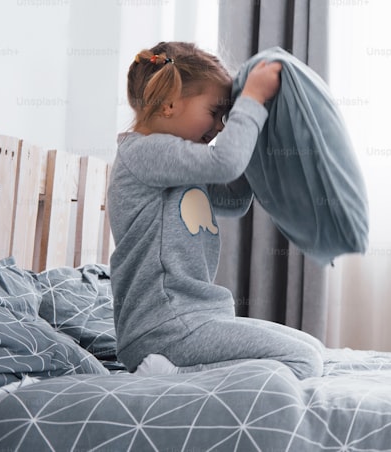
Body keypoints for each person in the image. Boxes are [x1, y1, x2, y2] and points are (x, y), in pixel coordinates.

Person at [107, 41, 327, 379]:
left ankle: (182, 367)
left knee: (313, 350)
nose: (221, 127)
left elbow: (234, 200)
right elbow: (225, 163)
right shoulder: (144, 152)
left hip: (195, 318)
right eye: (214, 113)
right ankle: (171, 373)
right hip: (164, 326)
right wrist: (251, 102)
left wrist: (259, 140)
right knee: (302, 362)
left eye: (226, 117)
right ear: (168, 104)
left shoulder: (176, 161)